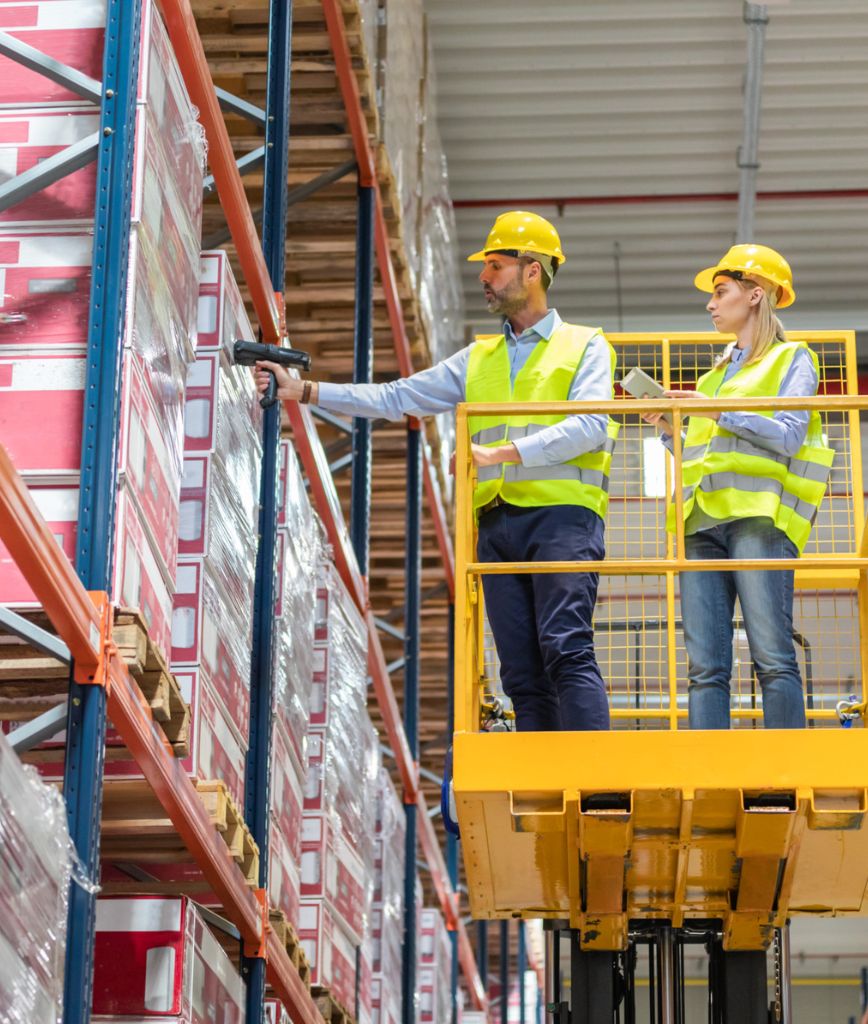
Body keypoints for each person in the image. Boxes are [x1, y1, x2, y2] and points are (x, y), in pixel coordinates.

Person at [255, 210, 618, 732]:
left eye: (495, 266)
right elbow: (397, 396)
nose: (484, 277)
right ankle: (545, 792)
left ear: (532, 270)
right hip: (496, 526)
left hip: (563, 520)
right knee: (520, 673)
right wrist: (306, 392)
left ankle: (593, 783)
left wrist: (501, 455)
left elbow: (591, 427)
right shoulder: (479, 357)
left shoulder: (586, 345)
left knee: (565, 647)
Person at [644, 244, 834, 729]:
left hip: (757, 522)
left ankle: (784, 772)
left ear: (754, 295)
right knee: (705, 668)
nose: (711, 305)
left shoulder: (794, 360)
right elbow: (701, 452)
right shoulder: (711, 378)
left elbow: (790, 434)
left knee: (772, 656)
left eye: (720, 292)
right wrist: (668, 430)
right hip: (699, 523)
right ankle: (711, 780)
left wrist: (715, 411)